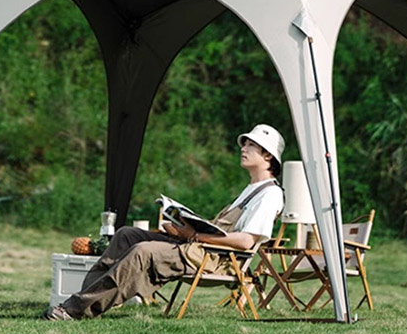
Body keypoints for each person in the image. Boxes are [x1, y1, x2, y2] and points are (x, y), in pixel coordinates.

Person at [43, 124, 286, 320]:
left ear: (267, 155)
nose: (244, 148)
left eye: (252, 145)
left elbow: (245, 241)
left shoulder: (270, 194)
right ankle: (85, 298)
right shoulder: (251, 188)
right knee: (127, 235)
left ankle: (74, 310)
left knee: (142, 251)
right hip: (199, 247)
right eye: (245, 143)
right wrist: (184, 225)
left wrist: (193, 235)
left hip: (215, 259)